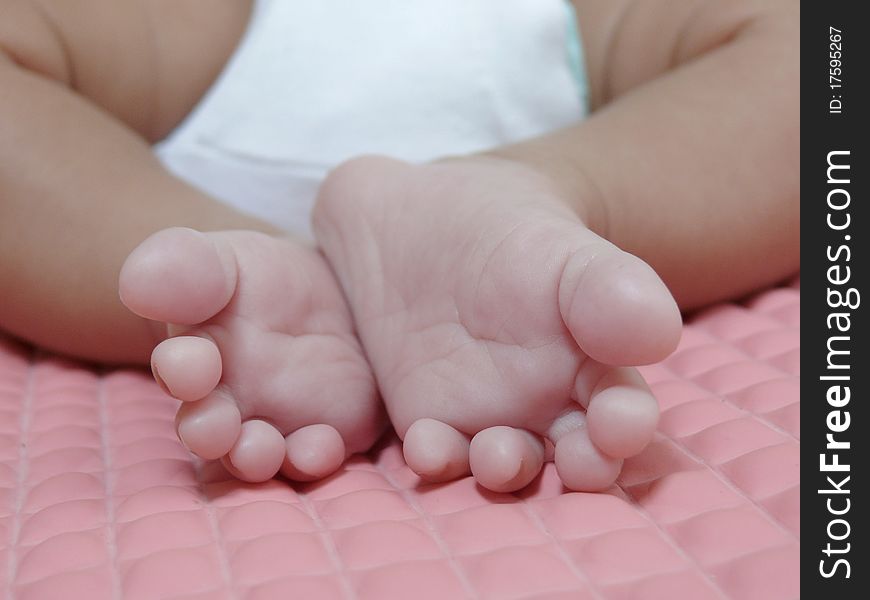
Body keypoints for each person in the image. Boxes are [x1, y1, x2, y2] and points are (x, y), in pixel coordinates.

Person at [0, 0, 798, 492]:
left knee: (824, 50)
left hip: (550, 33)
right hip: (239, 27)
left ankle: (513, 195)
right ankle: (246, 286)